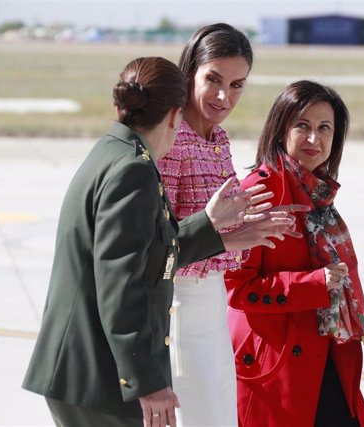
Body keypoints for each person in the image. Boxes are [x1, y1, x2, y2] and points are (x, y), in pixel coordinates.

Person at [22, 56, 295, 427]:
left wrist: (214, 231)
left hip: (81, 374)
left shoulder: (112, 151)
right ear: (173, 115)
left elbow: (144, 251)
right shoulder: (133, 170)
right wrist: (148, 383)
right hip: (97, 378)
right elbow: (121, 286)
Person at [156, 23, 310, 427]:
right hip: (178, 306)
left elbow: (213, 225)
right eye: (213, 80)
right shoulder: (172, 138)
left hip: (212, 305)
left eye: (238, 84)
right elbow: (160, 242)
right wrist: (234, 235)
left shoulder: (218, 138)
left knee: (220, 415)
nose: (225, 97)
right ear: (189, 70)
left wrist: (249, 226)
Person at [225, 80, 364, 427]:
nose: (314, 139)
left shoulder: (318, 194)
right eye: (302, 126)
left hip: (324, 355)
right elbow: (238, 288)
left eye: (325, 128)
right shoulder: (260, 192)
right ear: (280, 130)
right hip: (277, 367)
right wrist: (314, 284)